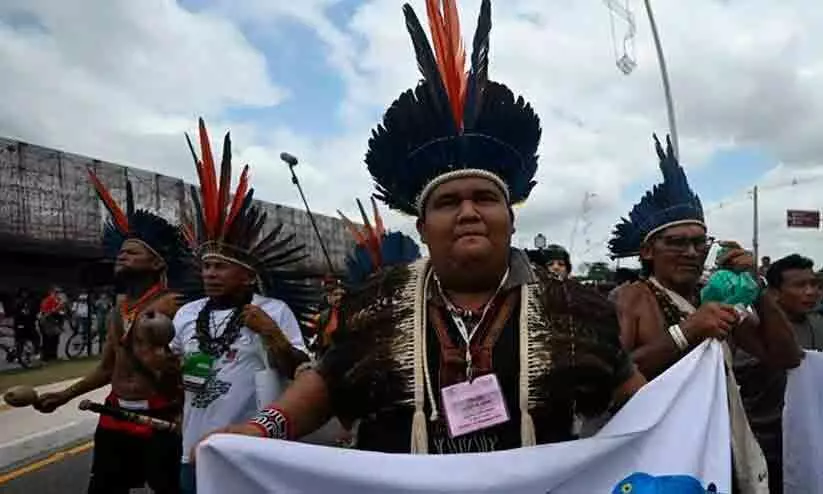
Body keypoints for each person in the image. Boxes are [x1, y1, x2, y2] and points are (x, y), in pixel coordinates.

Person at [192, 0, 644, 459]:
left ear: (512, 219)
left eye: (485, 198)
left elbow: (631, 394)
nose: (469, 211)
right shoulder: (374, 302)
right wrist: (259, 430)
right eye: (448, 202)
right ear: (424, 228)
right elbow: (326, 386)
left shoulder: (574, 306)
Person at [610, 135, 802, 493]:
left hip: (718, 453)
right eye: (677, 242)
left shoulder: (715, 298)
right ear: (648, 250)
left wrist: (755, 287)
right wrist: (687, 332)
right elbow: (607, 385)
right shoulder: (630, 299)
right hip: (654, 469)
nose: (691, 251)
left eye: (700, 242)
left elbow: (785, 356)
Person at [172, 119, 319, 494]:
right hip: (194, 452)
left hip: (255, 452)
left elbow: (300, 371)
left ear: (247, 276)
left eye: (220, 267)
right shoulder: (187, 315)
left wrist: (270, 332)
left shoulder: (274, 310)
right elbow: (181, 377)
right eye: (206, 266)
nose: (210, 274)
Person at [34, 172, 191, 494]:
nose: (123, 255)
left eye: (134, 252)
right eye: (122, 251)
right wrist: (64, 395)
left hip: (162, 420)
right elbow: (107, 368)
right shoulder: (118, 308)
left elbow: (198, 364)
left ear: (159, 263)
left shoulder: (177, 304)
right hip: (114, 416)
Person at [734, 254, 823, 494]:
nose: (811, 292)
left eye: (815, 285)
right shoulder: (753, 327)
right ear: (773, 293)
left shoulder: (818, 324)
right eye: (800, 285)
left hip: (811, 440)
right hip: (767, 443)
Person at [38, 286, 68, 361]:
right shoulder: (48, 300)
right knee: (48, 340)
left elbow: (61, 310)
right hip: (48, 321)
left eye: (59, 292)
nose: (58, 294)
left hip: (53, 321)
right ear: (51, 292)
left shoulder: (57, 300)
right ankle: (46, 357)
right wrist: (59, 307)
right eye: (56, 292)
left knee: (54, 340)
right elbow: (48, 312)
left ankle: (52, 356)